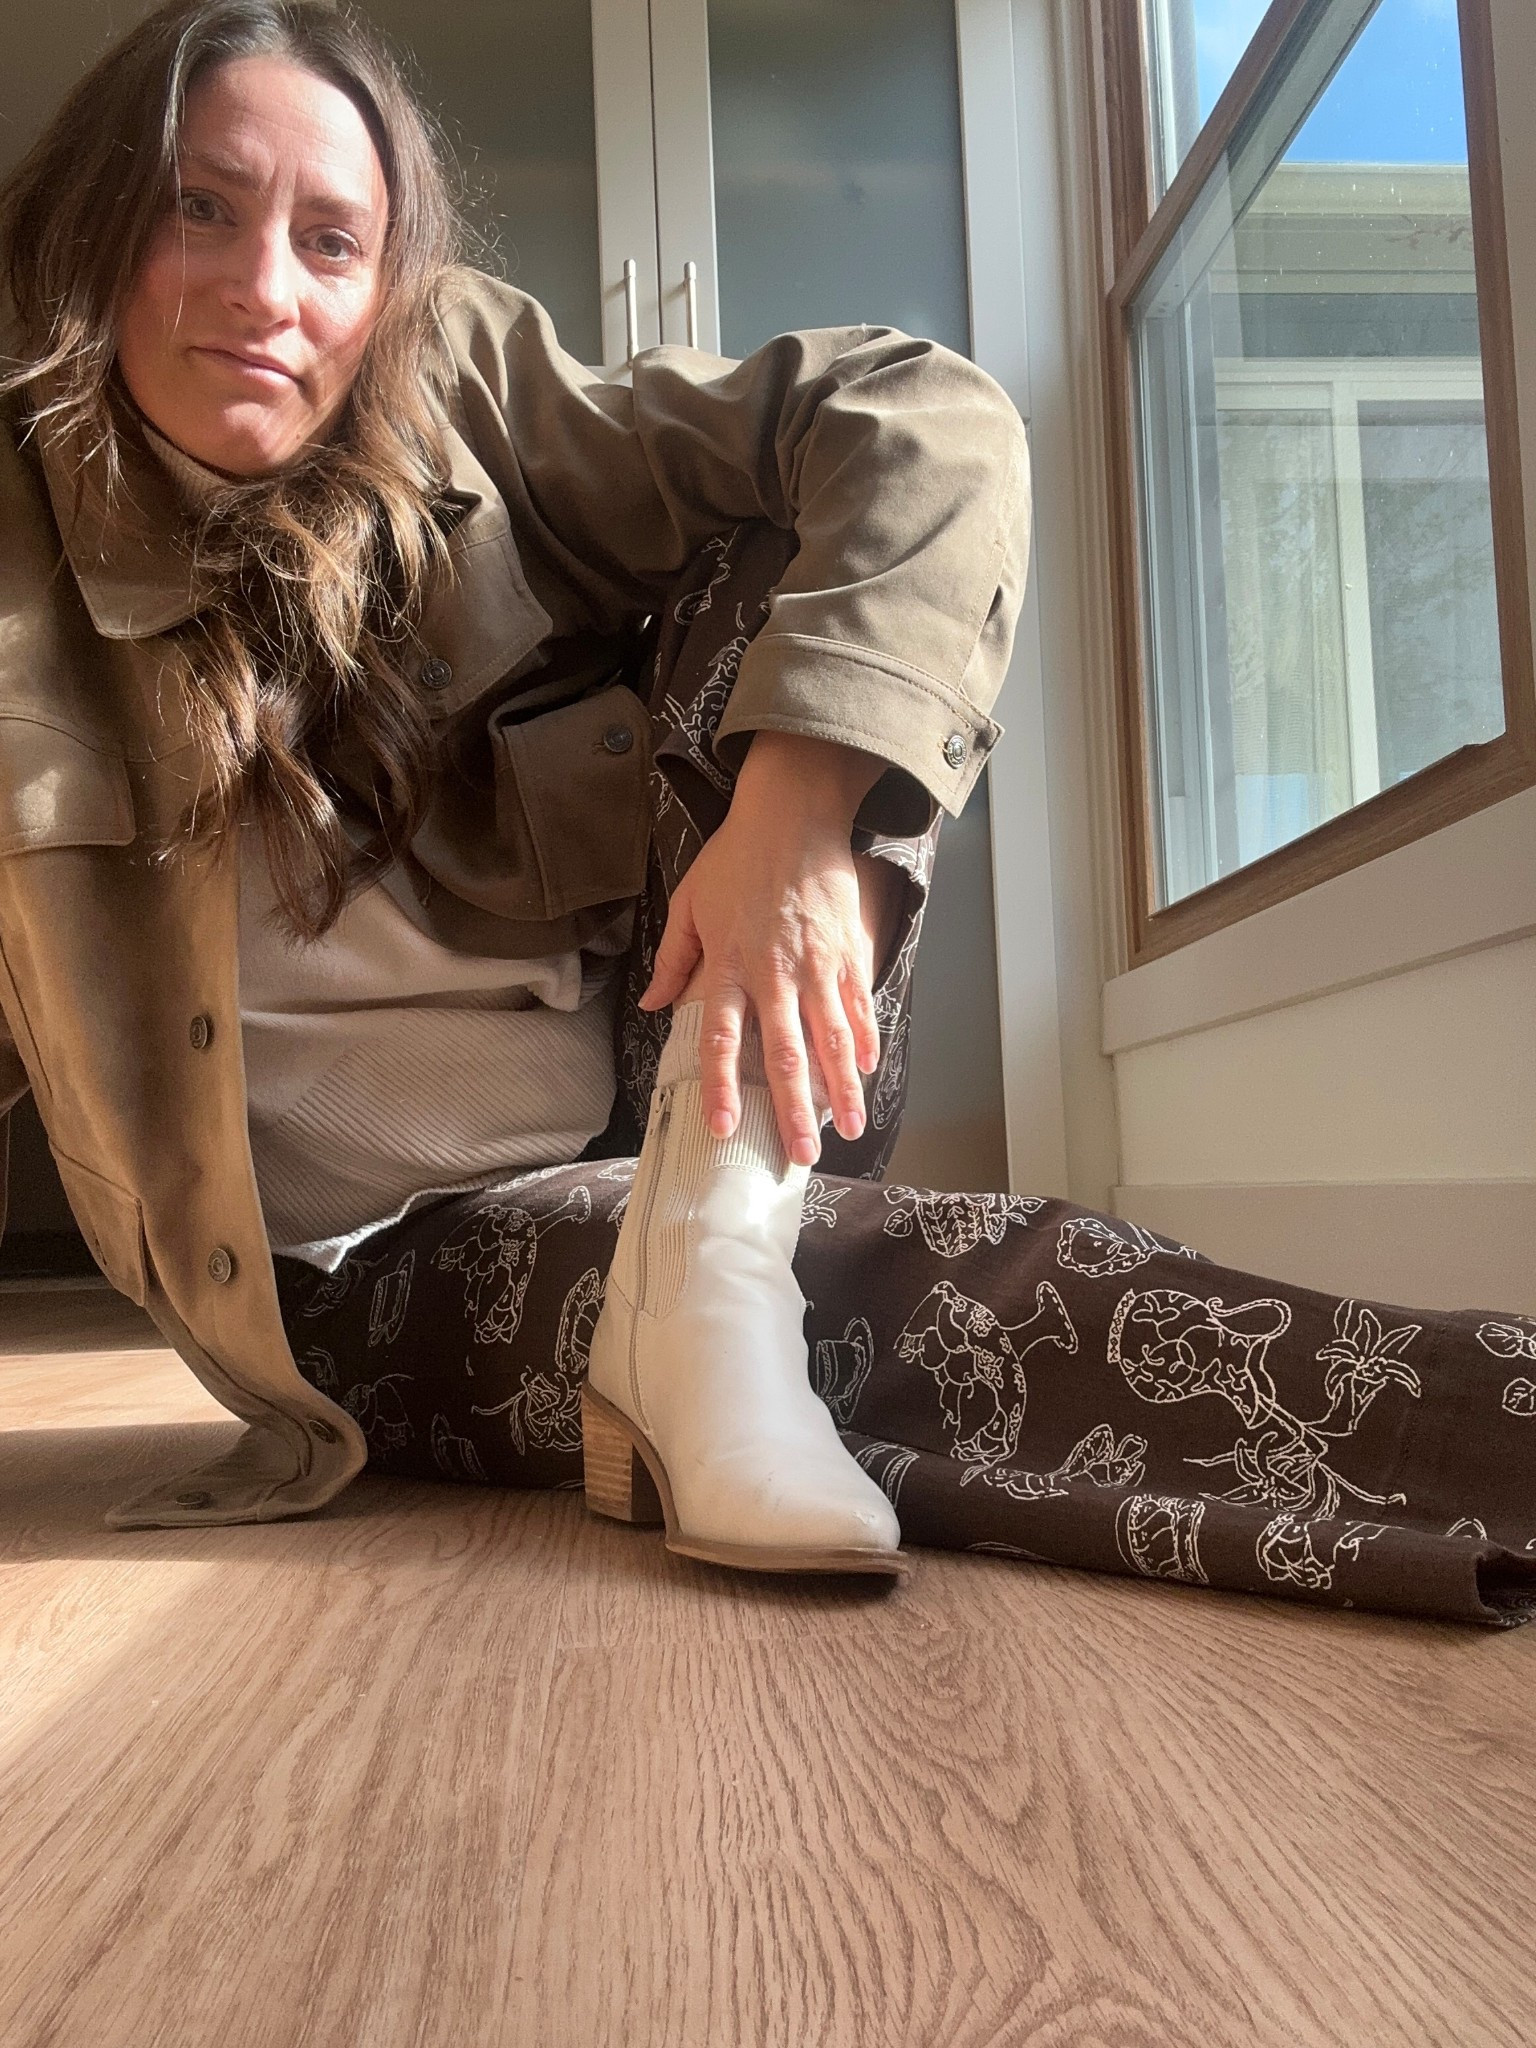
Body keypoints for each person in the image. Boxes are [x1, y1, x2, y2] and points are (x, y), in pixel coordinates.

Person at [1, 0, 1531, 1622]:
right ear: (96, 223)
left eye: (332, 242)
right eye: (201, 206)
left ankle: (718, 1260)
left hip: (705, 1087)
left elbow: (923, 418)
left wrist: (796, 833)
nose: (266, 292)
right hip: (356, 1275)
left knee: (792, 551)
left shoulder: (456, 382)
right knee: (904, 1307)